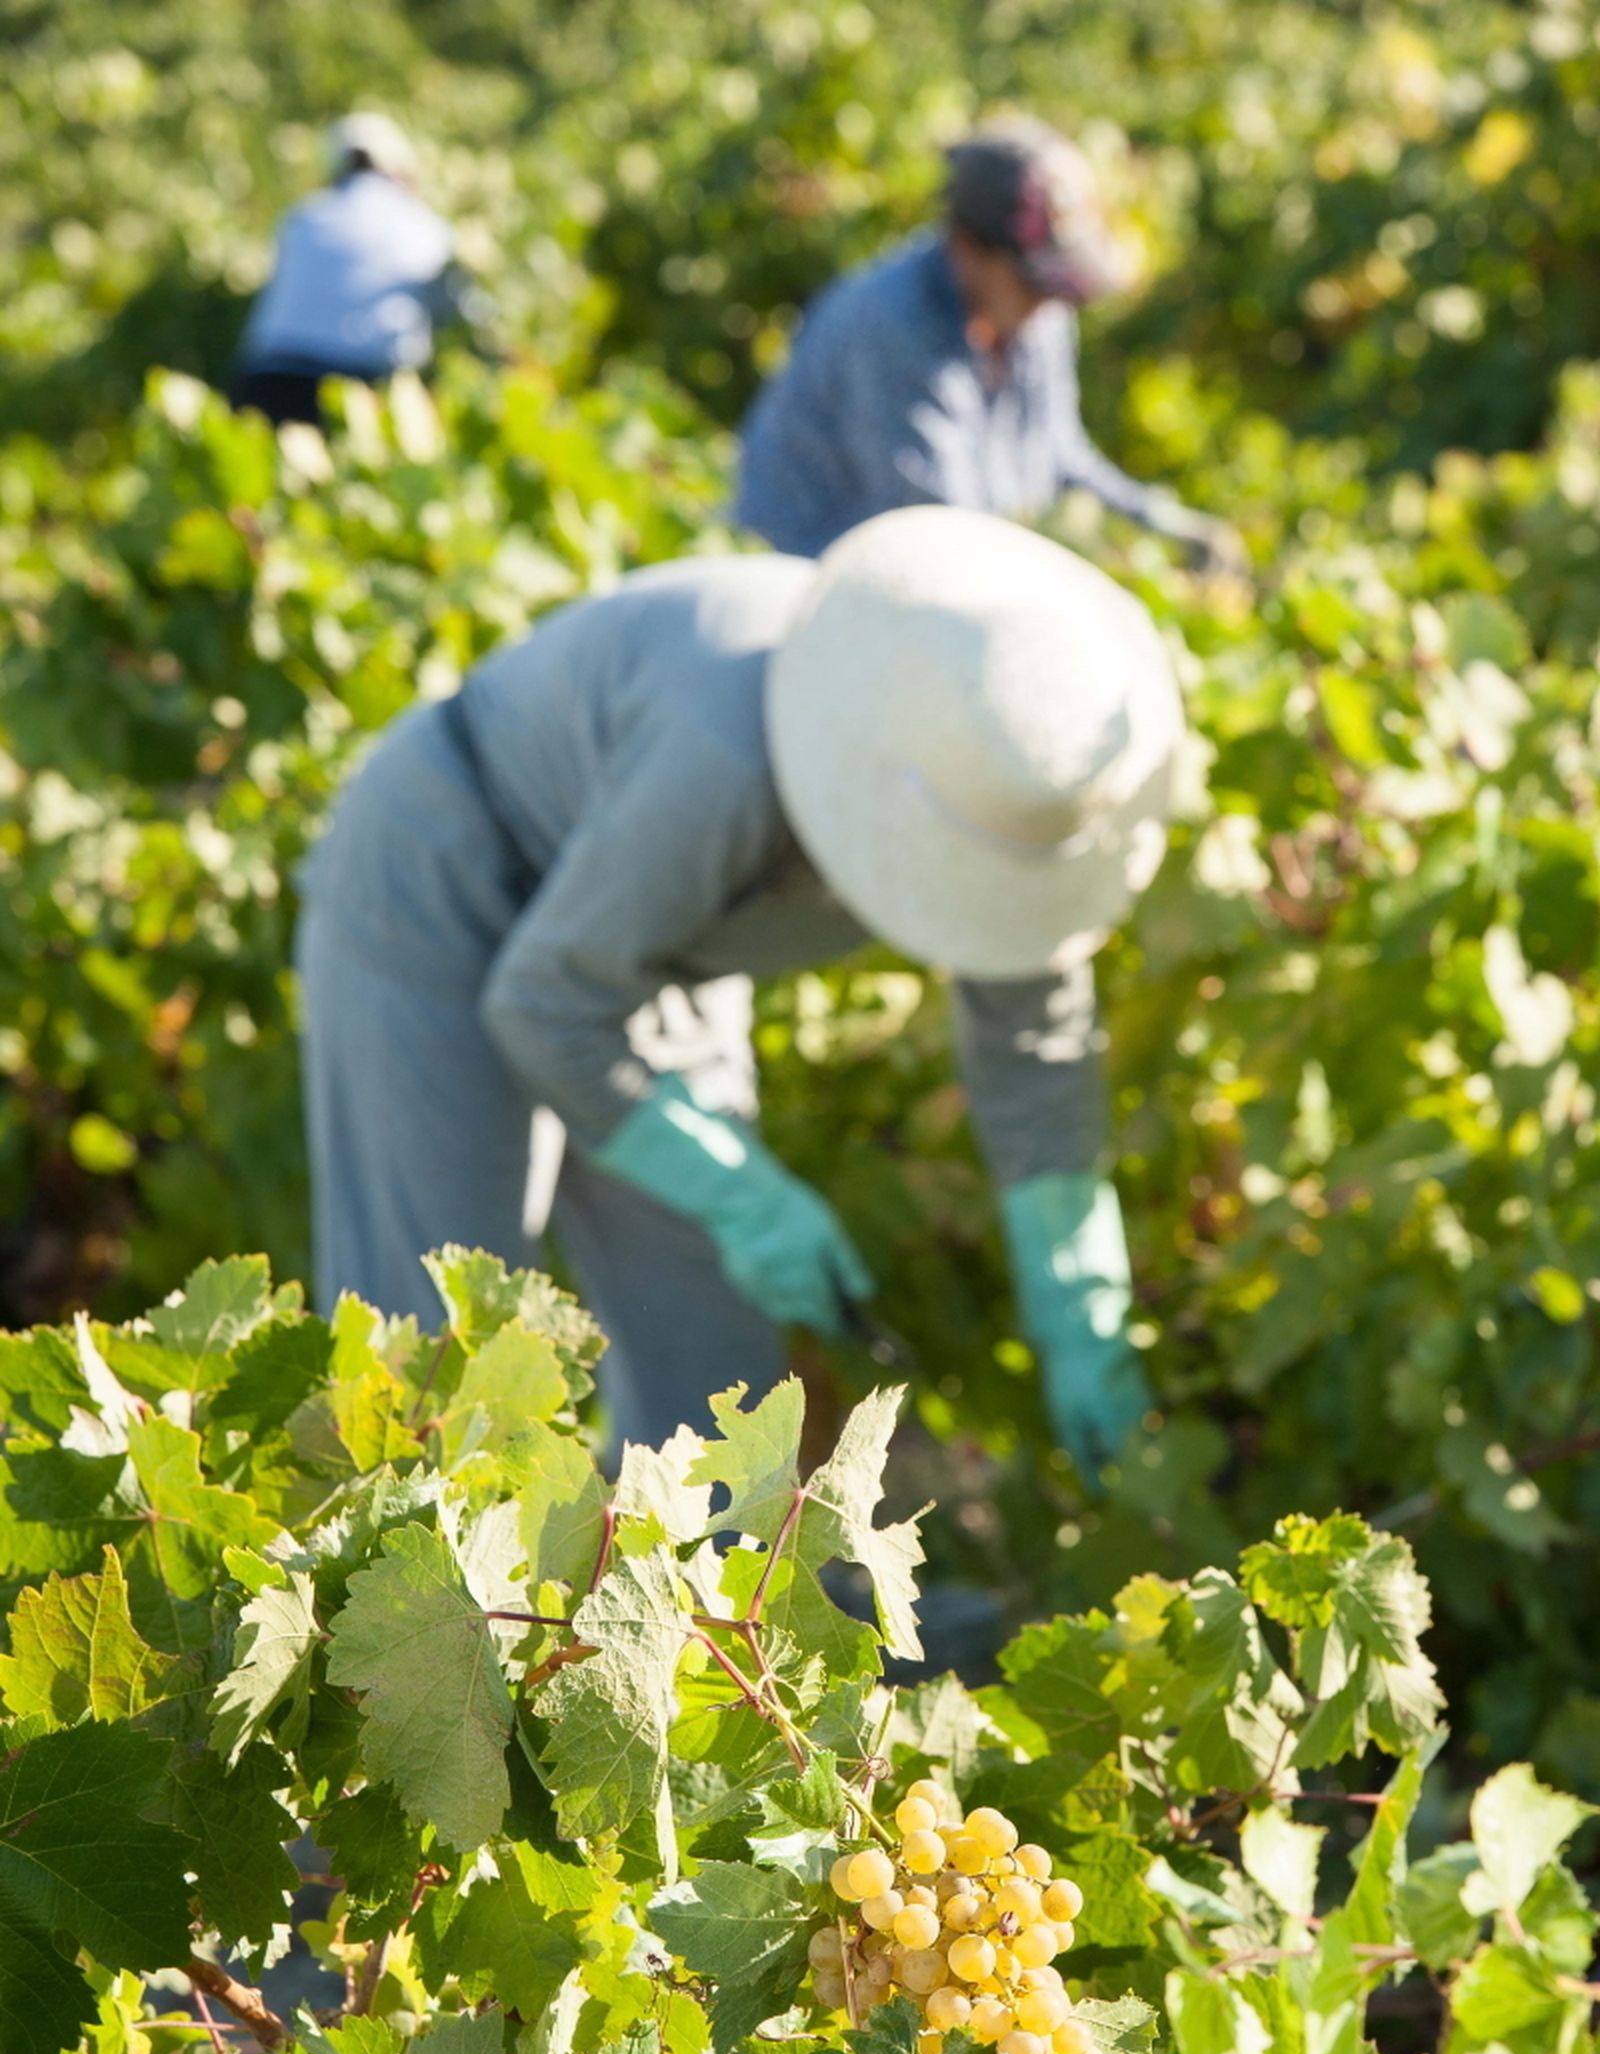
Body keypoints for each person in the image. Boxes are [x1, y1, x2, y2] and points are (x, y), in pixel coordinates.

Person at [297, 506, 1184, 1497]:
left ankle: (685, 1635)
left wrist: (1079, 1312)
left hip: (656, 949)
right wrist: (743, 1192)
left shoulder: (1013, 773)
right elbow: (547, 1000)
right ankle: (403, 1638)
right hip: (443, 880)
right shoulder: (725, 750)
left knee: (714, 1357)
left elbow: (1037, 1044)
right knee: (435, 1344)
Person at [736, 115, 1238, 572]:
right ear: (967, 247)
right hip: (803, 575)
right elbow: (944, 531)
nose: (1050, 305)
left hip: (927, 573)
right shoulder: (889, 327)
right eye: (1033, 284)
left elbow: (1060, 452)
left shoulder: (1040, 318)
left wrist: (1160, 523)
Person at [230, 113, 477, 429]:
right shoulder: (426, 227)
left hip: (264, 382)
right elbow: (462, 311)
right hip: (359, 392)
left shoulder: (301, 219)